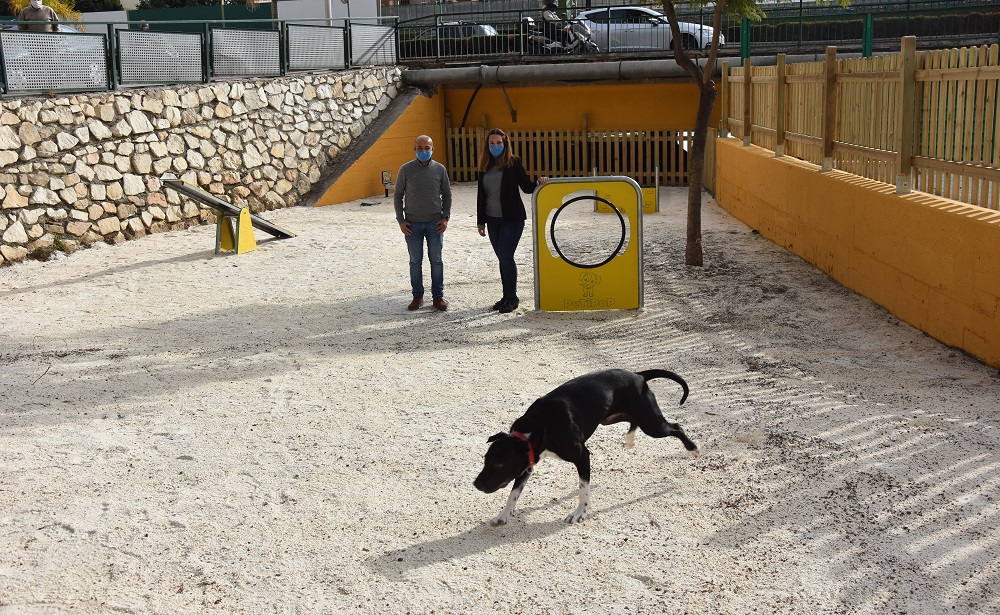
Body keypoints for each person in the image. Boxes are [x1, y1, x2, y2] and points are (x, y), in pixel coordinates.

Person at [476, 128, 548, 314]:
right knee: (502, 258)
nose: (495, 146)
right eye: (492, 143)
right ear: (487, 145)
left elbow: (526, 187)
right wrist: (481, 221)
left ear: (505, 143)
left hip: (512, 219)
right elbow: (481, 196)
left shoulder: (513, 162)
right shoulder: (484, 165)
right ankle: (506, 296)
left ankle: (512, 297)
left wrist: (538, 182)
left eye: (498, 143)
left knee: (506, 256)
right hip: (492, 220)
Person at [394, 135, 452, 312]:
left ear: (432, 148)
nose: (423, 151)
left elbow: (447, 194)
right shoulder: (405, 170)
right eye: (420, 148)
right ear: (414, 149)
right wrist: (401, 220)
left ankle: (438, 297)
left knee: (436, 261)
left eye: (427, 148)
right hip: (412, 225)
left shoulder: (440, 170)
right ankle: (417, 296)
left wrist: (445, 217)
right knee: (415, 261)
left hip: (435, 224)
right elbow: (397, 196)